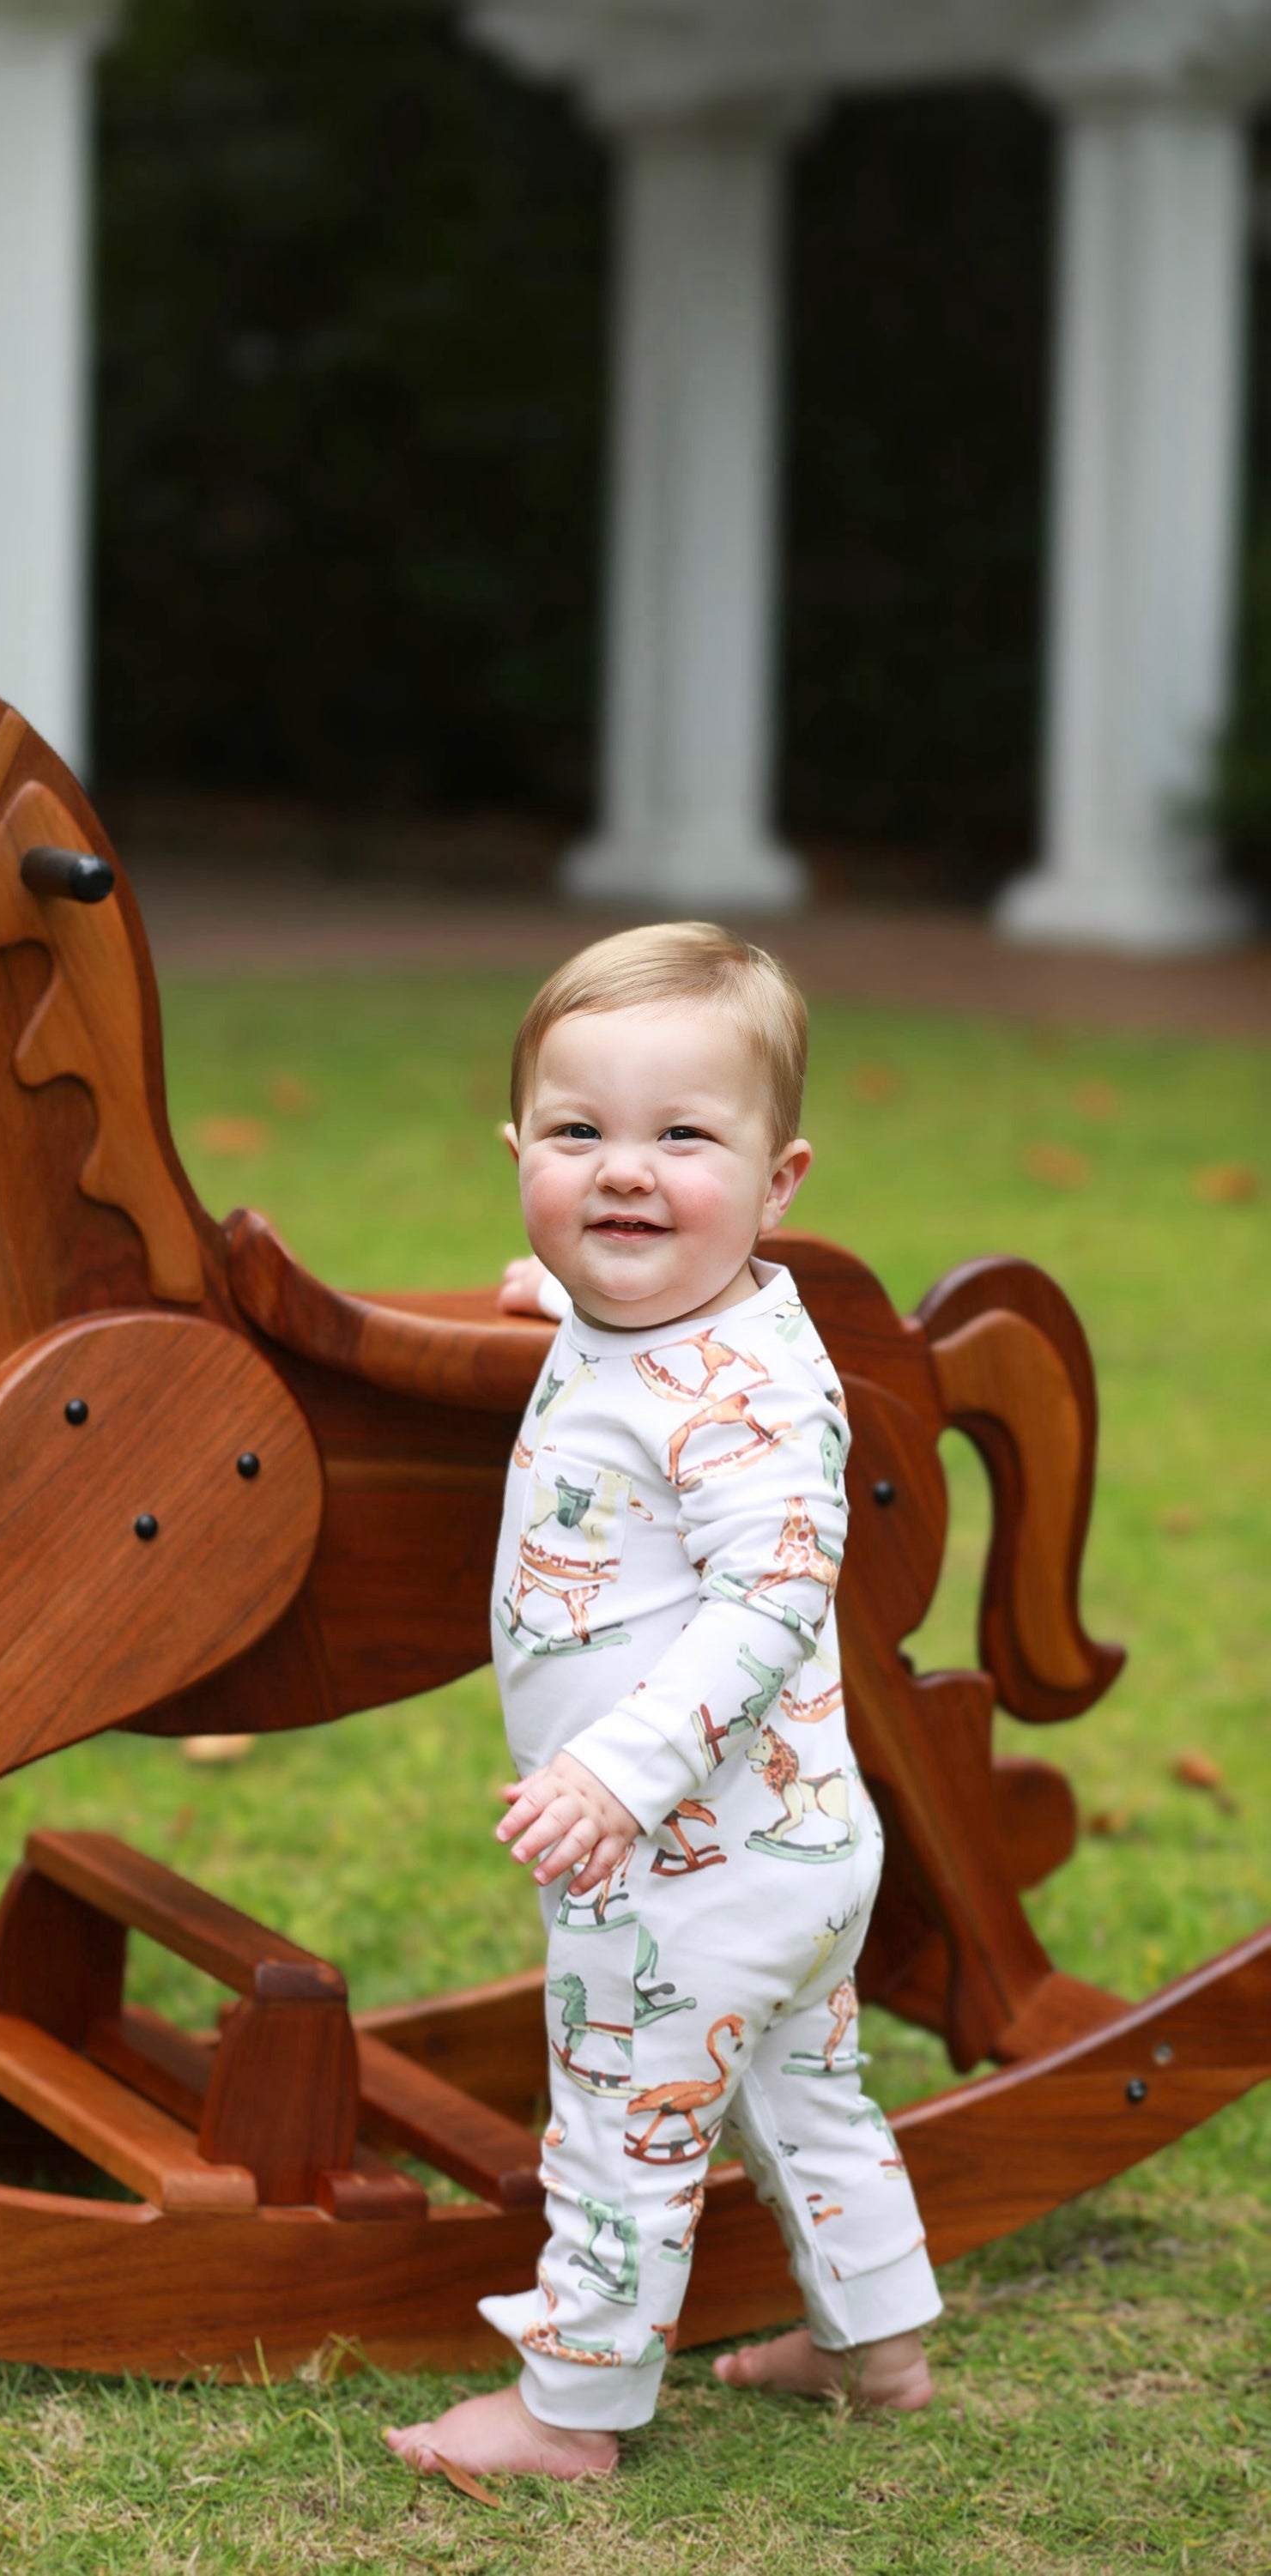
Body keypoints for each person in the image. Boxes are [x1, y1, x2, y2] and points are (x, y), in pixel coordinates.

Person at [385, 923, 941, 2483]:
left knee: (624, 2114)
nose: (624, 1174)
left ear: (780, 1181)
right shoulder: (648, 1312)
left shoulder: (757, 1397)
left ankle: (570, 2411)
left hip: (689, 1855)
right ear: (521, 1157)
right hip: (796, 1849)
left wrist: (623, 1771)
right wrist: (555, 1285)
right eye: (579, 1138)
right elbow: (618, 1301)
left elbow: (769, 1599)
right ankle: (873, 2341)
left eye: (682, 1138)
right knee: (802, 2087)